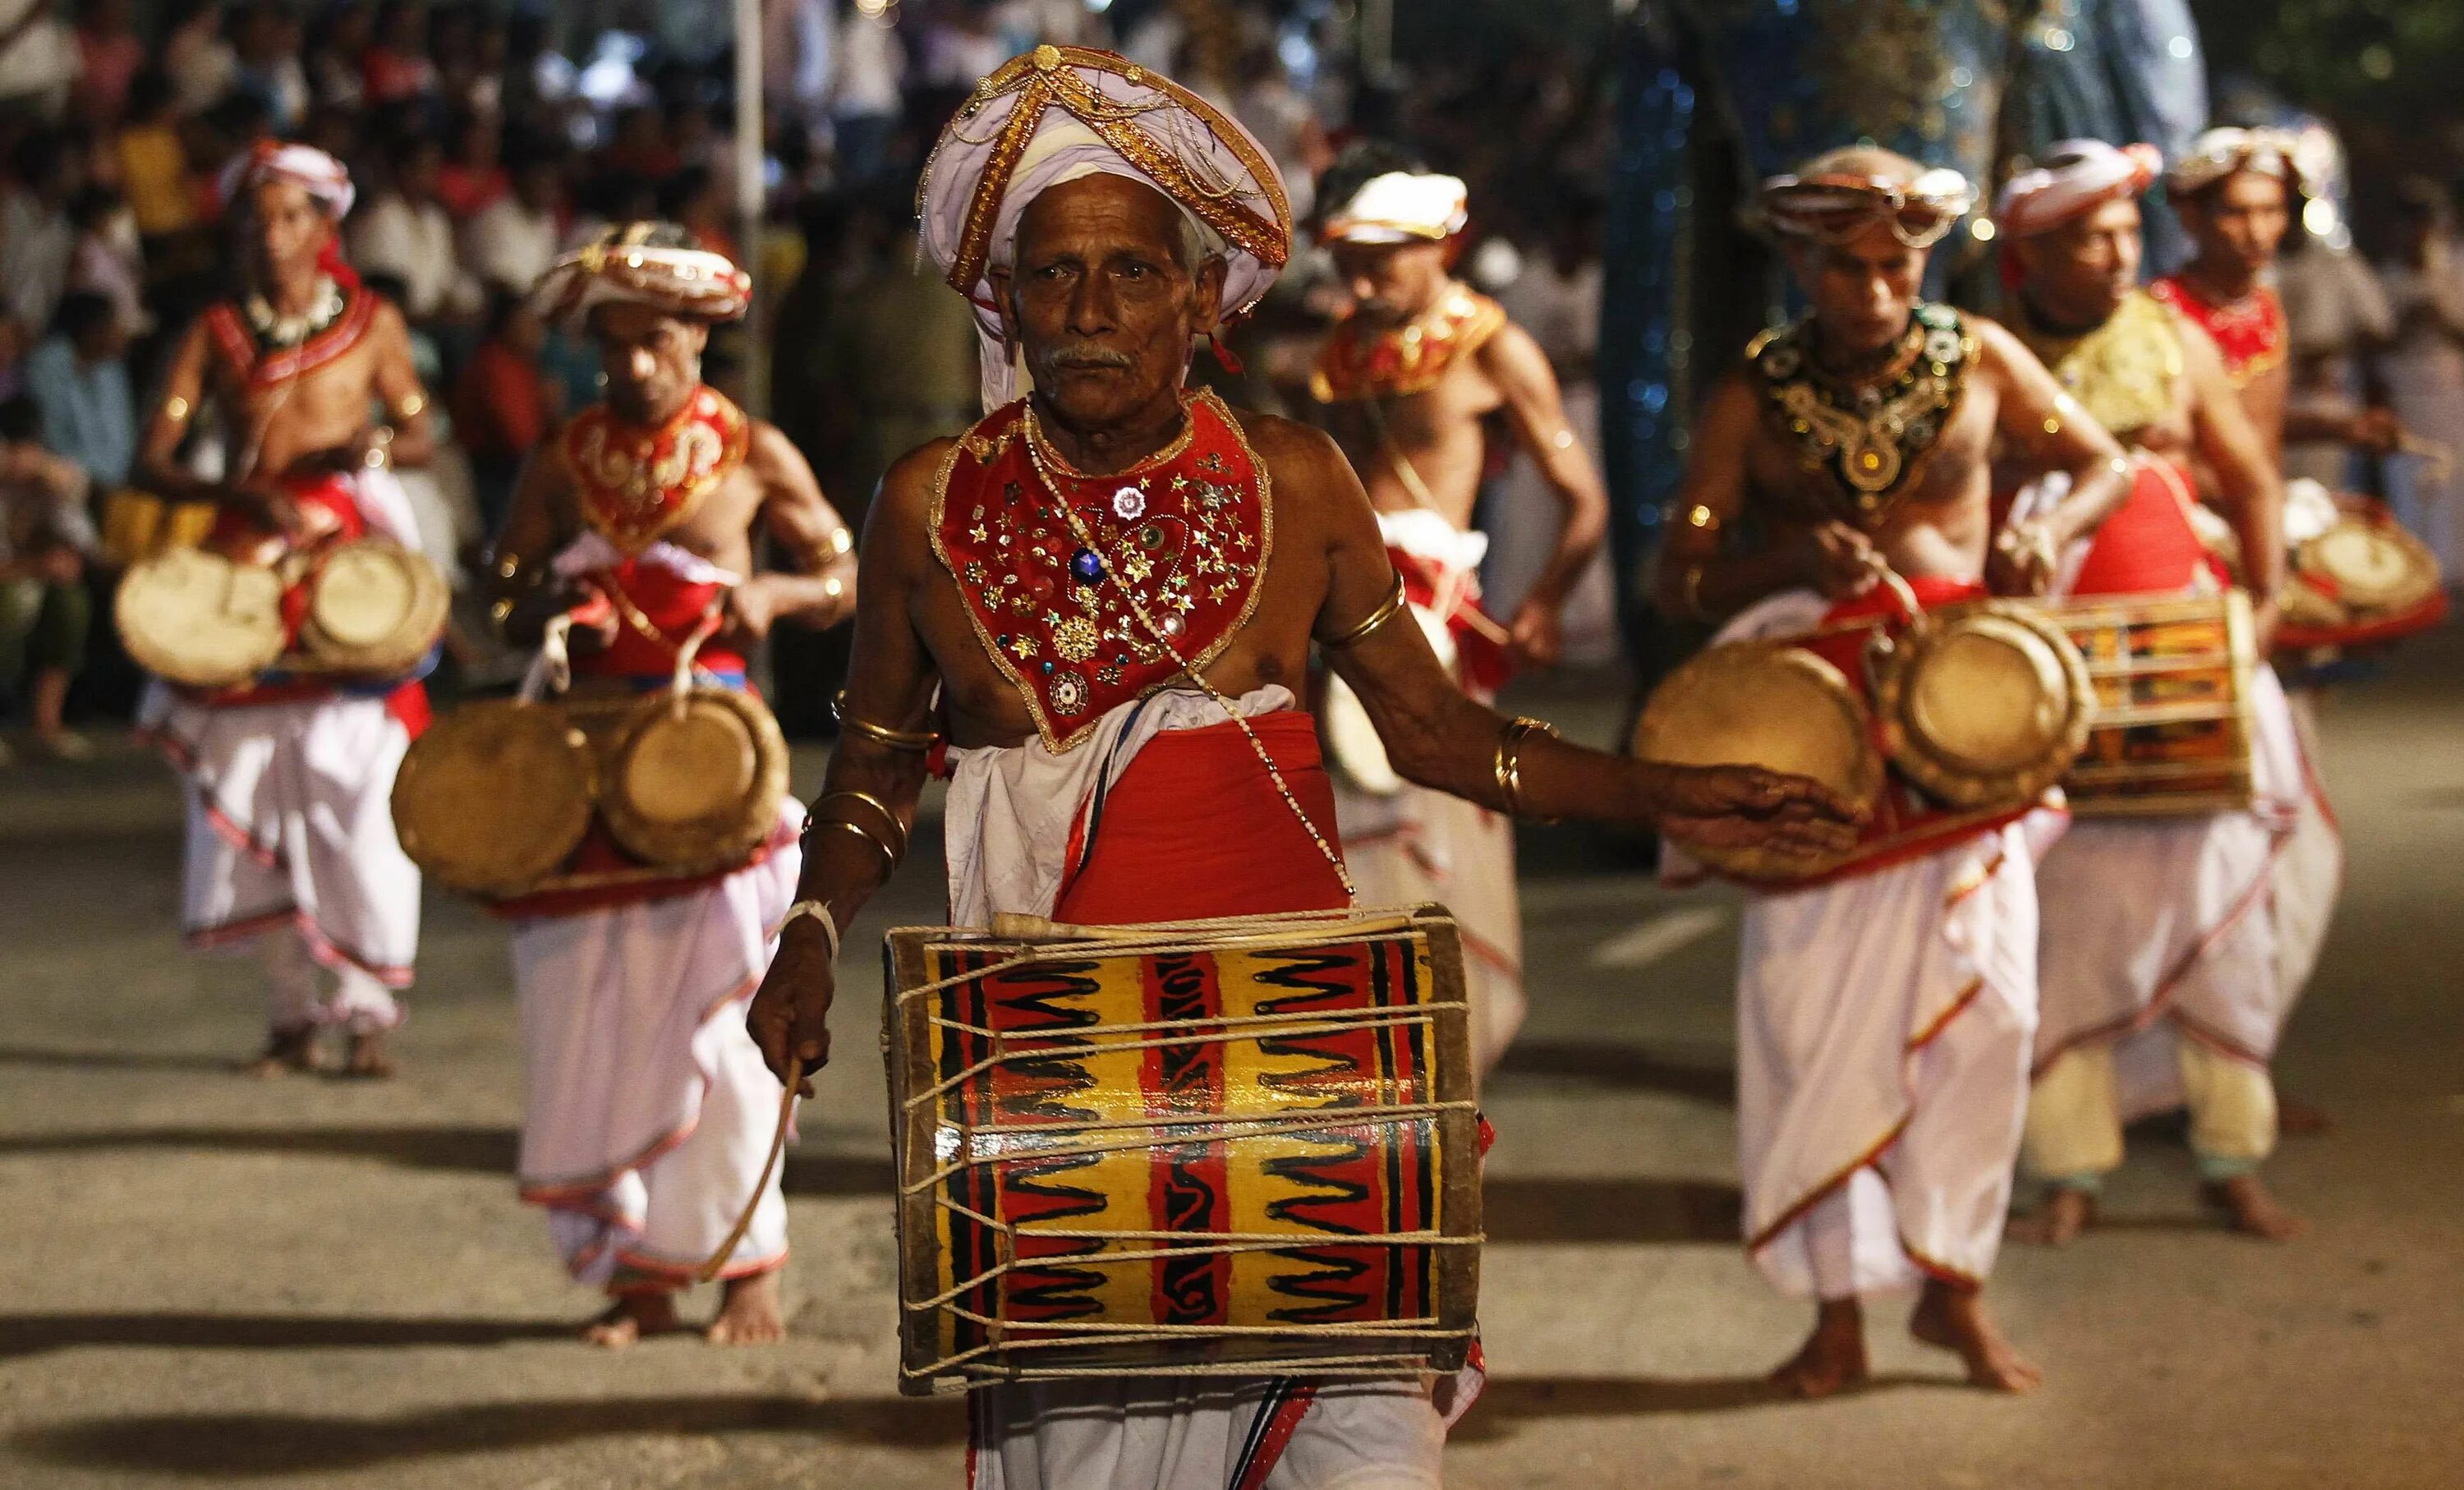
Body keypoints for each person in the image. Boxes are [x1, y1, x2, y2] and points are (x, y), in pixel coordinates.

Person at [745, 45, 1858, 1489]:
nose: (1089, 311)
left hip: (1308, 1070)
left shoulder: (1298, 479)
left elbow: (1441, 736)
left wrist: (1676, 785)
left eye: (1131, 273)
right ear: (1001, 302)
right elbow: (876, 769)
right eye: (1053, 276)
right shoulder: (928, 505)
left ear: (1201, 301)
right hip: (1071, 1103)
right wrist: (812, 929)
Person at [1653, 146, 2135, 1396]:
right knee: (1810, 1021)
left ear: (1924, 257)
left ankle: (1953, 1288)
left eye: (1896, 262)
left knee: (1992, 1012)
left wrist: (2044, 527)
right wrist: (1783, 568)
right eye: (1847, 264)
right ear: (1802, 263)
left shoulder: (1981, 357)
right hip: (1814, 732)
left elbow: (2103, 462)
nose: (1874, 287)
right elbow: (1681, 577)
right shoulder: (1752, 396)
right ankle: (1835, 1315)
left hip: (1971, 715)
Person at [487, 223, 857, 1347]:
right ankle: (640, 1276)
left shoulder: (755, 452)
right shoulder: (563, 457)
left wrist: (778, 601)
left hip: (721, 768)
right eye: (614, 346)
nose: (634, 366)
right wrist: (548, 604)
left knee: (727, 1018)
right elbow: (502, 586)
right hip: (591, 766)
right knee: (595, 1014)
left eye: (653, 342)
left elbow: (842, 572)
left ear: (698, 335)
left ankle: (749, 1266)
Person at [1993, 140, 2307, 1243]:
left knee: (2227, 923)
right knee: (2068, 919)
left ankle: (2233, 1155)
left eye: (2128, 231)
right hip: (2052, 667)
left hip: (2191, 652)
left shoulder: (2173, 337)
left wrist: (2259, 614)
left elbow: (2251, 479)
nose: (2119, 252)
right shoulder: (1990, 357)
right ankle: (2072, 1169)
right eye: (2089, 234)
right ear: (2031, 253)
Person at [132, 142, 437, 1078]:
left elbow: (422, 430)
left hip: (349, 569)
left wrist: (372, 444)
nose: (272, 236)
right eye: (256, 220)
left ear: (325, 226)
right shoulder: (215, 331)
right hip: (249, 565)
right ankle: (292, 1012)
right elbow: (152, 455)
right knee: (251, 782)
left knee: (359, 792)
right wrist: (244, 494)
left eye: (291, 217)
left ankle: (369, 1007)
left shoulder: (375, 322)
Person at [1306, 152, 1611, 1078]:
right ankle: (1364, 1051)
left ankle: (1447, 1050)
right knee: (1352, 825)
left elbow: (1581, 496)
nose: (1362, 280)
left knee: (1433, 817)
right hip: (1344, 619)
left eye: (1383, 258)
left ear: (1442, 245)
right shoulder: (1344, 353)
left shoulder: (1492, 346)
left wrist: (1546, 604)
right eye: (1350, 259)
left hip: (1433, 617)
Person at [2374, 177, 2464, 578]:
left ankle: (2455, 571)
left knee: (2455, 480)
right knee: (2409, 484)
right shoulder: (2385, 278)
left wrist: (2440, 317)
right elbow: (2367, 342)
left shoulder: (2454, 271)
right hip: (2403, 392)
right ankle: (2418, 572)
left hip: (2450, 391)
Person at [0, 396, 94, 761]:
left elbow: (85, 549)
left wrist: (61, 495)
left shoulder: (48, 485)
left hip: (30, 586)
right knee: (6, 605)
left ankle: (46, 723)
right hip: (10, 589)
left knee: (71, 601)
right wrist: (38, 565)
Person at [349, 135, 476, 328]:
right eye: (423, 169)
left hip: (434, 320)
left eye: (434, 169)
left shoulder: (435, 219)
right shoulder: (382, 216)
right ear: (403, 171)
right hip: (394, 322)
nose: (429, 177)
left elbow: (446, 277)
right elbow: (387, 290)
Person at [24, 289, 136, 495]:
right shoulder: (49, 363)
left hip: (104, 484)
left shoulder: (111, 370)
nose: (122, 332)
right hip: (54, 477)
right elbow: (53, 433)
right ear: (93, 328)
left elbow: (121, 441)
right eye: (114, 324)